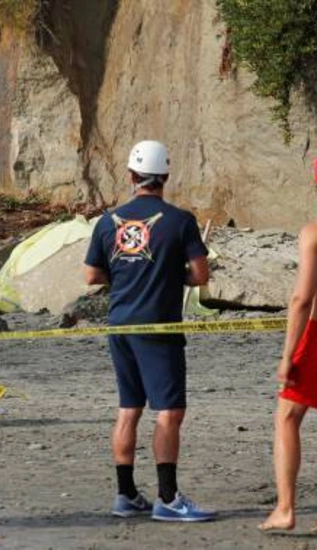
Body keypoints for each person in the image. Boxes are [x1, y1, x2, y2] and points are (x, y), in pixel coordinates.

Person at [83, 140, 213, 521]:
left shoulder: (108, 222)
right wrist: (174, 275)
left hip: (120, 325)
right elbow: (201, 274)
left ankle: (126, 495)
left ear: (131, 177)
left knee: (128, 409)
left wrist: (126, 273)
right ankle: (168, 498)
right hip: (158, 327)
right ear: (165, 177)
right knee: (169, 412)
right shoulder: (180, 220)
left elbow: (91, 275)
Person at [259, 148, 317, 533]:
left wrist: (287, 355)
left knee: (288, 416)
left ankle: (285, 508)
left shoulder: (315, 232)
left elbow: (301, 298)